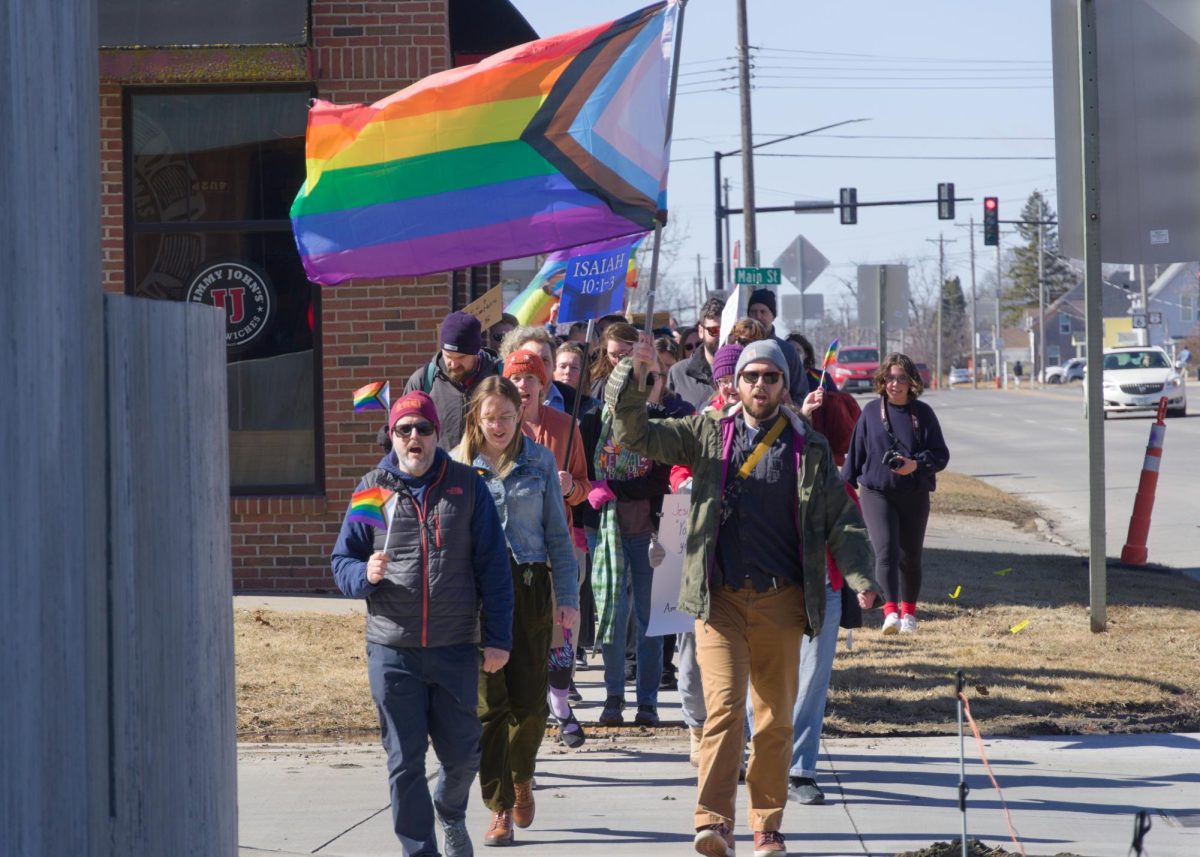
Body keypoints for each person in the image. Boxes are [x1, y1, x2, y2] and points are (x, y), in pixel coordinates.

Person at [605, 337, 878, 857]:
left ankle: (767, 825)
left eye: (769, 377)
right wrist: (633, 374)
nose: (759, 385)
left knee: (775, 718)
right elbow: (633, 433)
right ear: (736, 382)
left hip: (782, 601)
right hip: (720, 601)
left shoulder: (810, 447)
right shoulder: (708, 432)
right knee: (726, 712)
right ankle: (712, 821)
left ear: (784, 384)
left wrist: (862, 578)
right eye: (750, 376)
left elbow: (841, 519)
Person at [331, 391, 513, 857]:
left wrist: (498, 638)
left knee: (463, 755)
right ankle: (420, 849)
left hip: (454, 647)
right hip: (393, 650)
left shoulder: (467, 486)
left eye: (423, 429)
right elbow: (341, 561)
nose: (414, 437)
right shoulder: (373, 489)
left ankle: (450, 810)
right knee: (404, 762)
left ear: (438, 434)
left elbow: (494, 566)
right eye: (404, 429)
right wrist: (361, 575)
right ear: (391, 436)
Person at [453, 377, 579, 846]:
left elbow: (556, 536)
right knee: (490, 709)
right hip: (479, 597)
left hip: (528, 589)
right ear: (477, 418)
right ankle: (499, 805)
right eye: (490, 417)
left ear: (519, 414)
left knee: (529, 705)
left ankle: (522, 772)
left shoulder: (539, 461)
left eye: (507, 415)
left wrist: (566, 597)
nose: (500, 425)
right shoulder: (458, 464)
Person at [503, 350, 591, 748]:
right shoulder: (499, 430)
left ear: (543, 384)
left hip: (561, 549)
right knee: (521, 641)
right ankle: (525, 731)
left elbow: (585, 486)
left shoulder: (565, 426)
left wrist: (570, 488)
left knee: (562, 634)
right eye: (516, 379)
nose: (523, 387)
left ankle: (560, 701)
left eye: (530, 379)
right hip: (515, 553)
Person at [842, 353, 949, 636]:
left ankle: (909, 613)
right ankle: (890, 613)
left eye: (902, 378)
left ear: (912, 382)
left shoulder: (922, 413)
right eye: (889, 378)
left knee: (910, 557)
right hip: (876, 492)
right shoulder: (870, 413)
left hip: (914, 493)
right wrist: (843, 488)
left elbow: (941, 455)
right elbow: (856, 455)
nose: (895, 384)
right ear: (881, 381)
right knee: (885, 551)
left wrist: (916, 465)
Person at [403, 310, 499, 451]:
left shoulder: (499, 375)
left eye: (461, 358)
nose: (454, 364)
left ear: (476, 352)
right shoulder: (423, 380)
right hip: (440, 470)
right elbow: (405, 427)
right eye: (448, 356)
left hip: (490, 471)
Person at [746, 288, 808, 405]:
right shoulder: (741, 349)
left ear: (773, 316)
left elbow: (801, 394)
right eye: (753, 312)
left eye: (763, 312)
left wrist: (790, 410)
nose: (758, 316)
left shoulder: (787, 351)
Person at [669, 296, 726, 411]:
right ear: (701, 331)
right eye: (714, 331)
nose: (721, 336)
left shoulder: (744, 371)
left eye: (725, 328)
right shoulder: (678, 373)